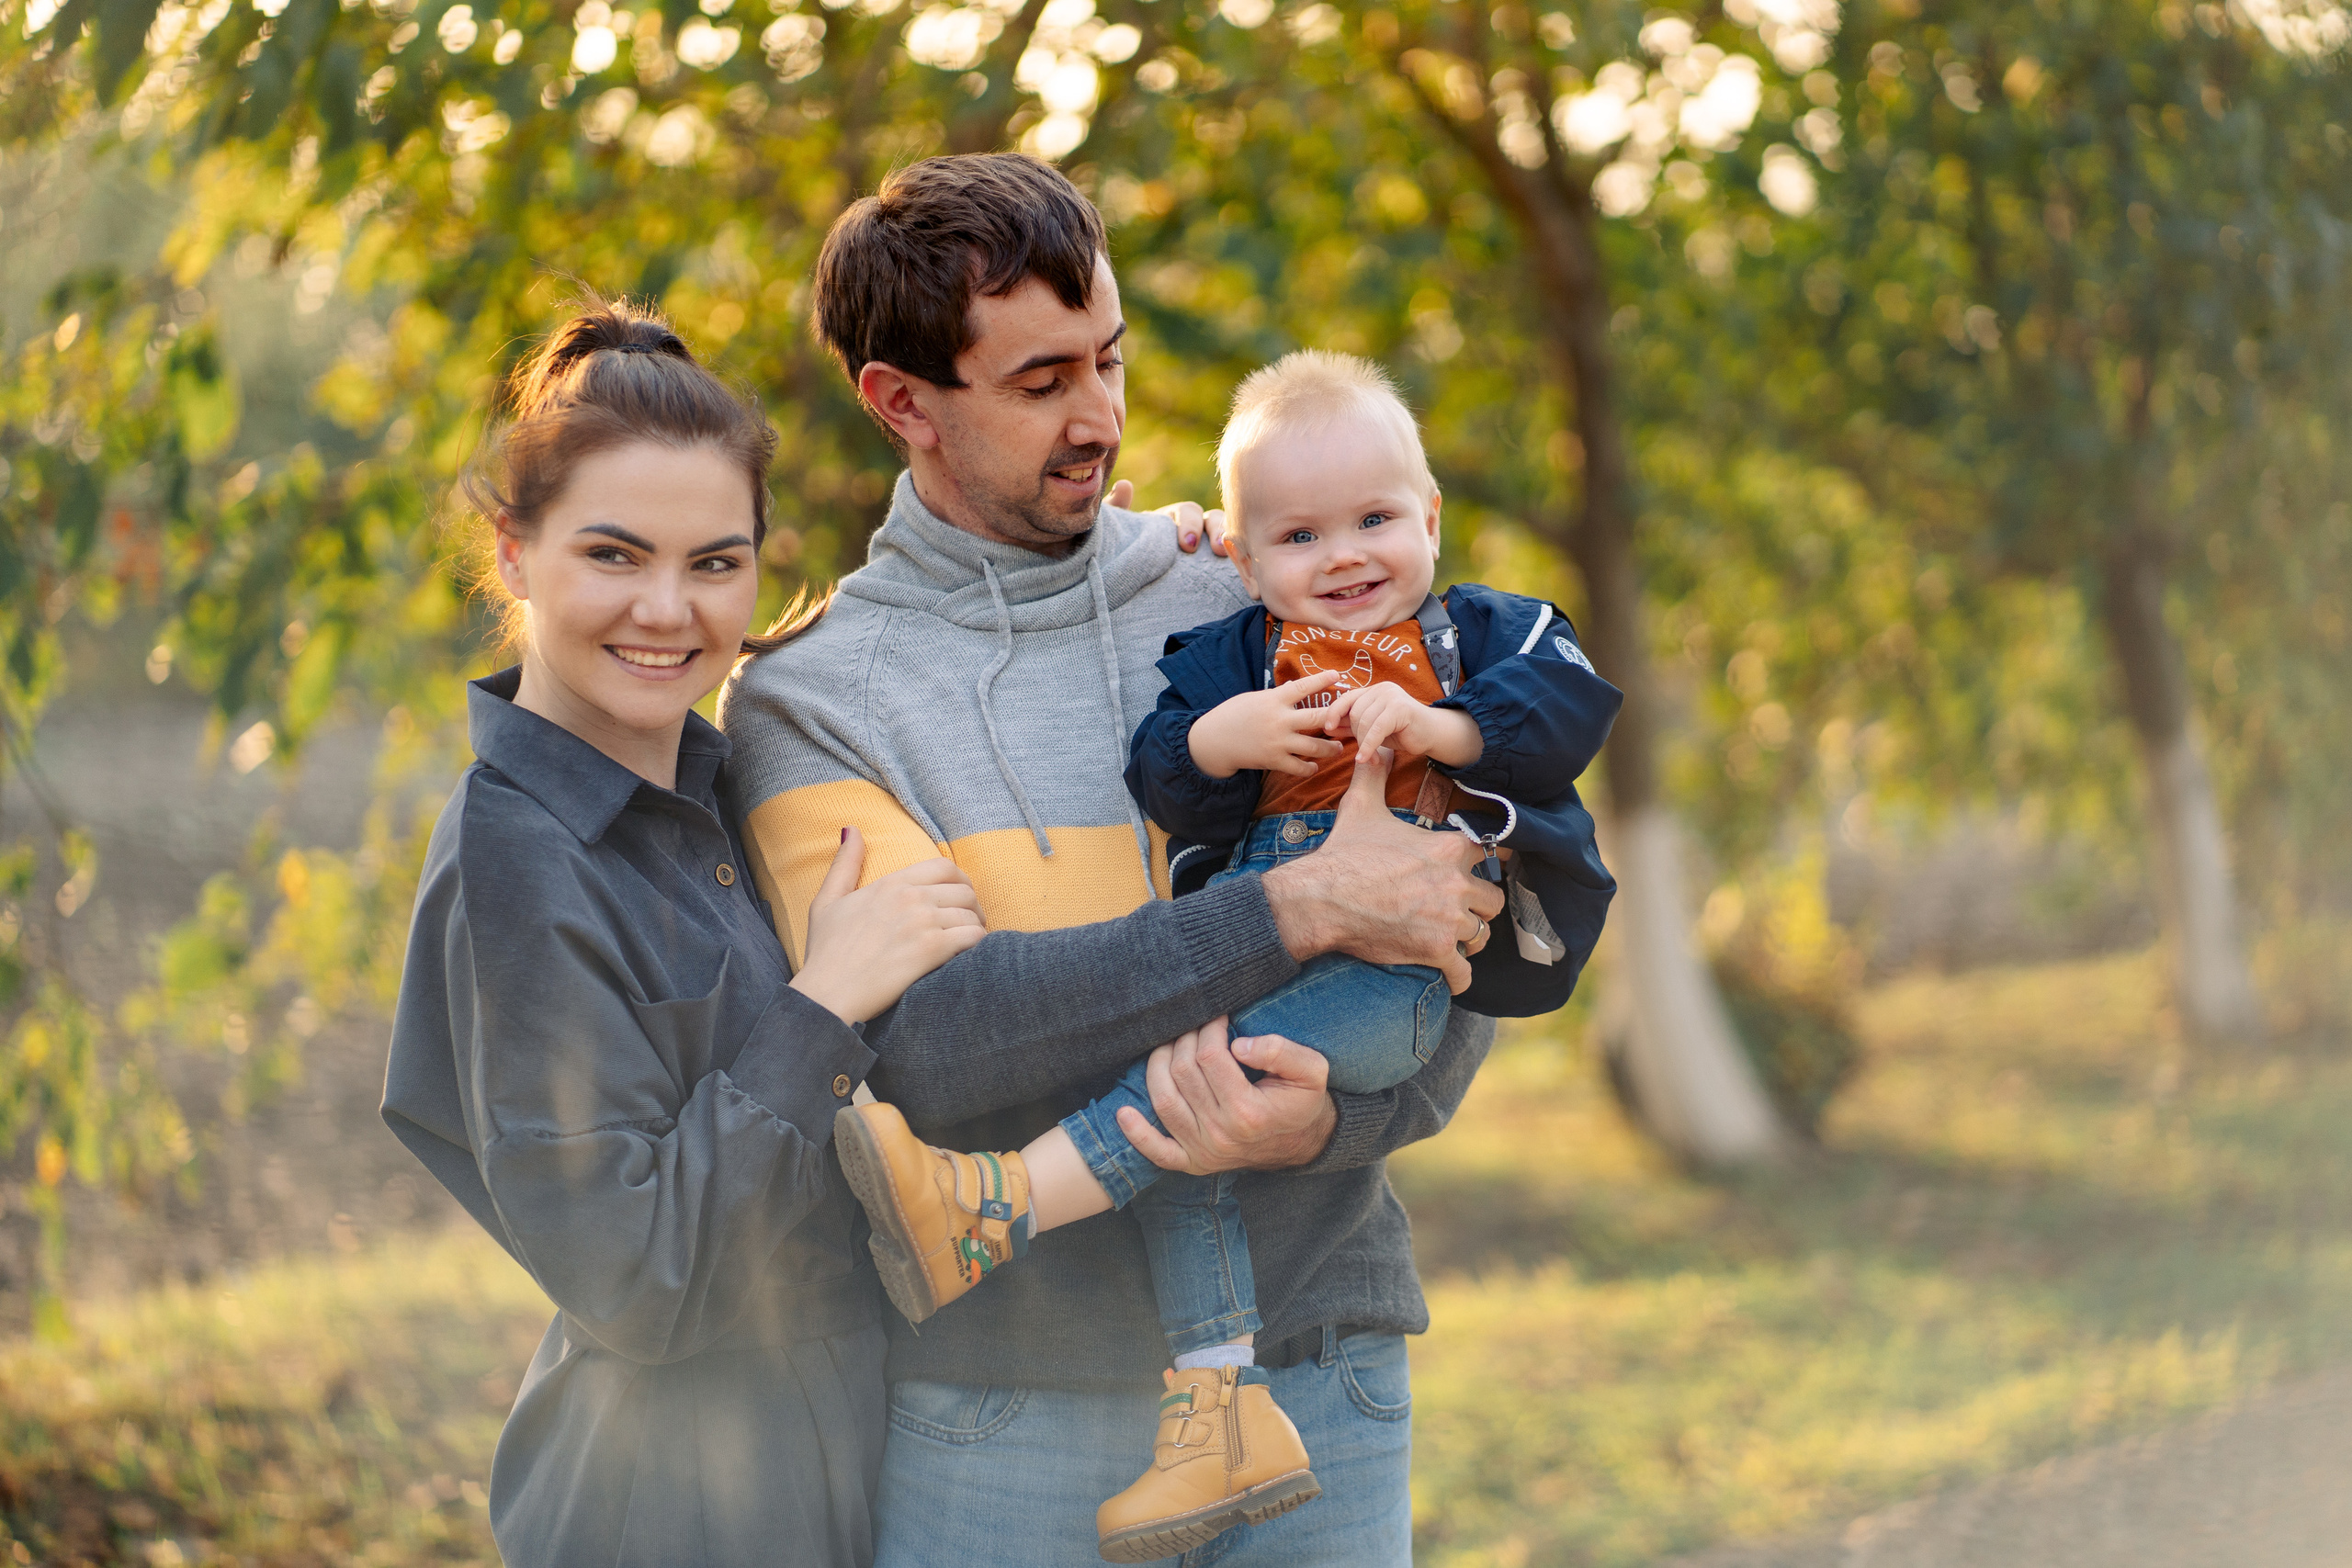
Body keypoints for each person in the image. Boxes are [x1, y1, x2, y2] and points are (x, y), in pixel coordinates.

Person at [718, 152, 1510, 1568]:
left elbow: (1456, 928)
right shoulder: (815, 700)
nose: (1098, 418)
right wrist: (1296, 906)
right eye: (1039, 385)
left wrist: (1335, 1124)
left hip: (1322, 1363)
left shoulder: (1252, 588)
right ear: (902, 404)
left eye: (1112, 362)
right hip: (1015, 1410)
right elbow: (939, 1049)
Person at [831, 349, 1620, 1561]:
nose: (1348, 556)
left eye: (1375, 519)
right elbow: (1164, 781)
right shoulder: (1234, 645)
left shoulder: (1475, 636)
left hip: (1386, 994)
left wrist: (1444, 729)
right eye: (1301, 536)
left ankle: (1003, 1201)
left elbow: (1569, 710)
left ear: (1430, 516)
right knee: (1197, 1106)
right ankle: (1221, 1400)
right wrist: (1219, 739)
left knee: (1194, 1073)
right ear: (1246, 561)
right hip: (1260, 987)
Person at [379, 299, 996, 1568]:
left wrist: (1176, 557)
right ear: (513, 554)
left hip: (863, 1465)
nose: (670, 611)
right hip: (669, 1507)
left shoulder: (742, 787)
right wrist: (824, 1008)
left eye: (716, 562)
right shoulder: (518, 858)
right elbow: (636, 1274)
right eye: (614, 555)